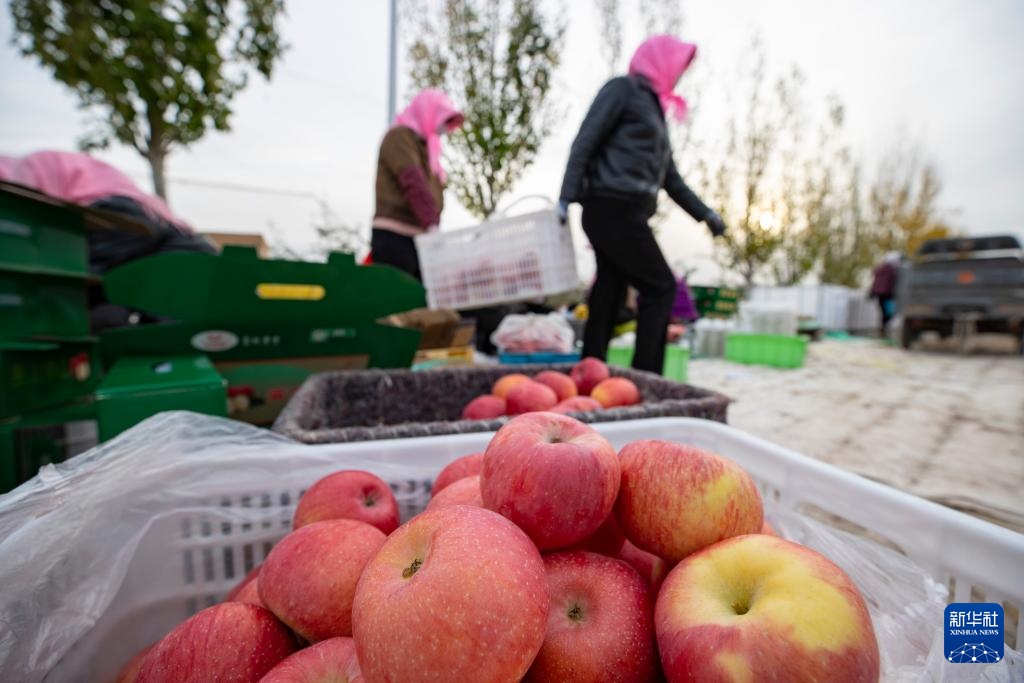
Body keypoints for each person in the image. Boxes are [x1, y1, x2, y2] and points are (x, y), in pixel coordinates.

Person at [558, 35, 725, 374]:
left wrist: (704, 214)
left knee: (609, 290)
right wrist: (566, 196)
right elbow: (586, 140)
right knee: (660, 286)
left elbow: (671, 178)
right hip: (610, 206)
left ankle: (590, 372)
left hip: (629, 211)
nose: (680, 75)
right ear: (660, 61)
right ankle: (647, 376)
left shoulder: (655, 110)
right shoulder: (623, 90)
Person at [0, 150, 214, 274]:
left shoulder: (20, 170)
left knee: (71, 276)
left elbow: (22, 217)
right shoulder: (46, 160)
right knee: (184, 275)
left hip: (116, 214)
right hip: (161, 222)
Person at [370, 89, 464, 281]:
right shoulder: (399, 138)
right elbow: (413, 182)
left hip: (420, 240)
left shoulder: (429, 149)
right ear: (428, 112)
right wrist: (431, 223)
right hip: (395, 237)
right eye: (442, 119)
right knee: (400, 300)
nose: (445, 128)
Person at [870, 251, 901, 334]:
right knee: (888, 313)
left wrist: (872, 292)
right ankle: (884, 329)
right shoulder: (892, 270)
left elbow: (875, 280)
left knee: (884, 312)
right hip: (887, 294)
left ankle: (883, 328)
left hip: (879, 294)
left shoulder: (880, 268)